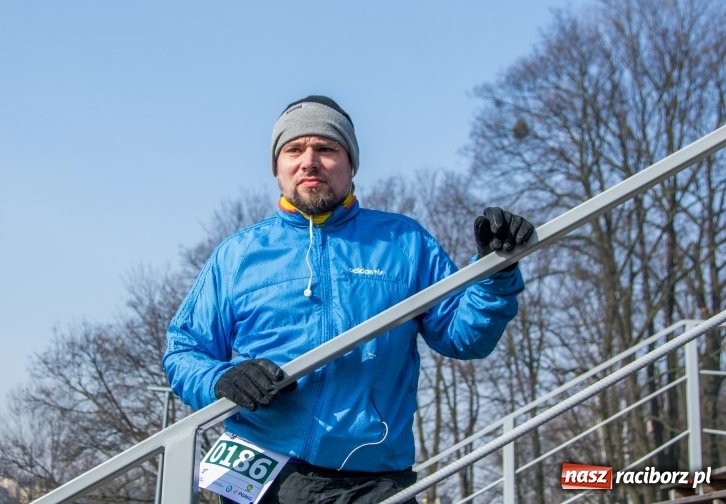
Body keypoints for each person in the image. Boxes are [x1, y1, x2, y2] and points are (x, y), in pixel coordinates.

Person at [163, 95, 534, 504]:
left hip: (375, 481)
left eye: (326, 148)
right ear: (277, 167)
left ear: (350, 163)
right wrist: (220, 380)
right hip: (265, 474)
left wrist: (494, 274)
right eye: (294, 149)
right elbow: (184, 352)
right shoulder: (238, 255)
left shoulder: (403, 242)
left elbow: (465, 338)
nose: (309, 161)